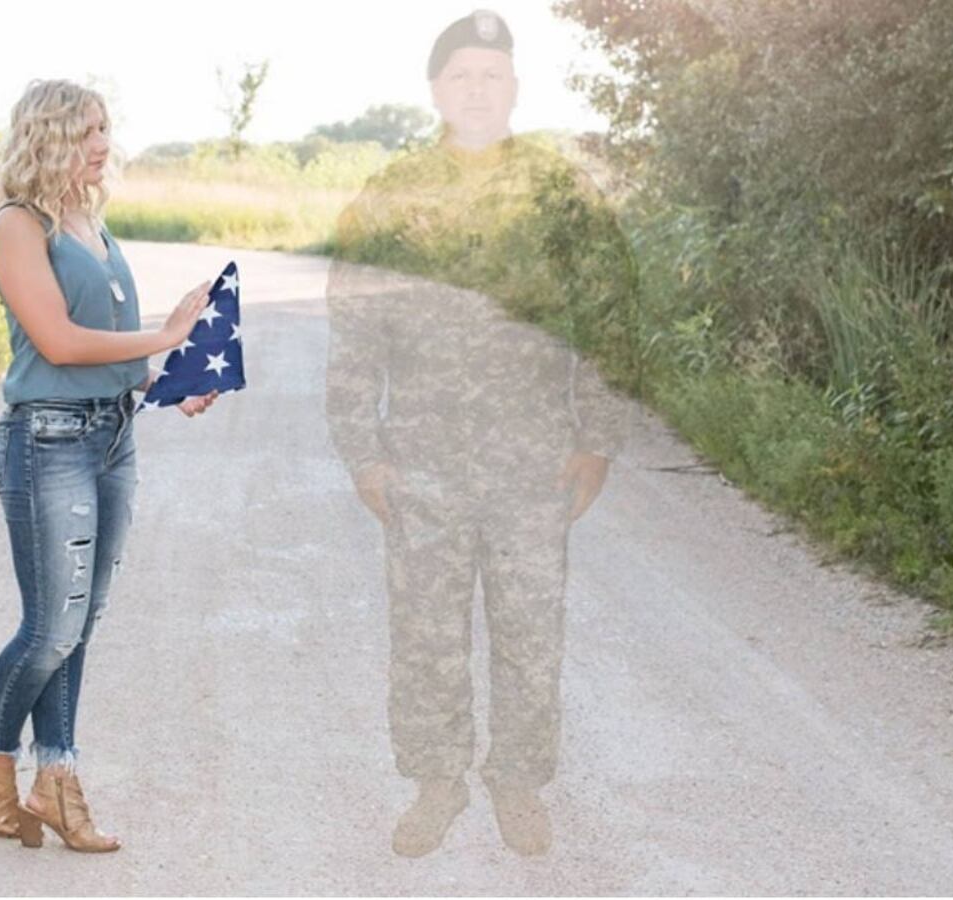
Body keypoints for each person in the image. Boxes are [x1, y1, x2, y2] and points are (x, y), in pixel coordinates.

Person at [324, 9, 638, 858]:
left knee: (532, 635)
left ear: (514, 88)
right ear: (436, 90)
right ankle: (437, 784)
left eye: (491, 76)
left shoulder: (561, 194)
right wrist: (364, 453)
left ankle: (518, 784)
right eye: (460, 75)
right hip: (421, 460)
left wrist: (597, 439)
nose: (476, 89)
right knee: (426, 637)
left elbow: (609, 322)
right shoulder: (391, 194)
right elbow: (353, 330)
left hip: (533, 460)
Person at [0, 78, 220, 853]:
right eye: (90, 130)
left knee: (80, 625)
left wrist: (165, 381)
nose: (106, 143)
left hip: (111, 436)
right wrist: (164, 335)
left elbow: (103, 348)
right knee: (50, 628)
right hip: (46, 443)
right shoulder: (18, 224)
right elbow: (60, 344)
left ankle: (54, 779)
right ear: (50, 137)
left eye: (107, 127)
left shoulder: (91, 225)